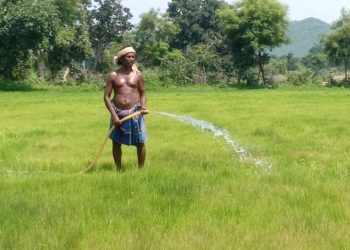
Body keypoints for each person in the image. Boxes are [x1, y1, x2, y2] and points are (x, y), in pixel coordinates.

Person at [104, 45, 148, 171]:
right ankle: (119, 169)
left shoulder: (138, 75)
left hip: (135, 112)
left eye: (133, 57)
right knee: (116, 142)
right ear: (121, 58)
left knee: (140, 142)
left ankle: (141, 170)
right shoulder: (113, 75)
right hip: (117, 112)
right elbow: (106, 97)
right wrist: (114, 115)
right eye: (128, 57)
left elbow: (143, 93)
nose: (131, 59)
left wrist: (143, 106)